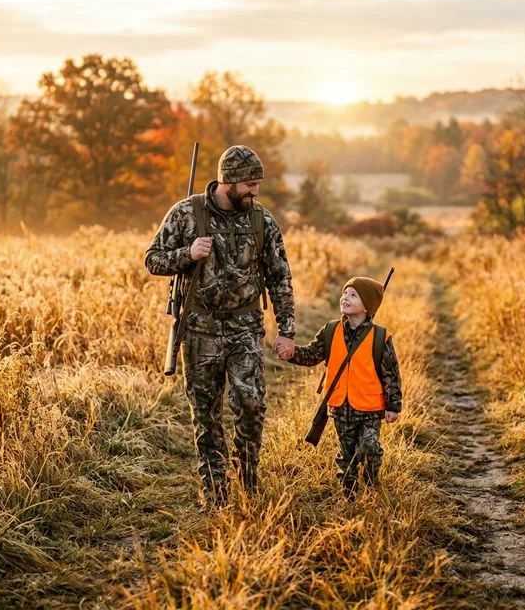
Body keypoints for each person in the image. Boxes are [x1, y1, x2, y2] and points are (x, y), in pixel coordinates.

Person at [145, 145, 295, 509]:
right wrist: (188, 253)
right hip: (199, 330)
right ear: (228, 181)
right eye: (249, 184)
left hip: (246, 327)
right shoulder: (186, 213)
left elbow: (280, 278)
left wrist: (286, 328)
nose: (254, 191)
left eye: (257, 184)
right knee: (206, 413)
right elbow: (152, 259)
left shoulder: (262, 220)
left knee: (250, 402)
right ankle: (214, 491)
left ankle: (247, 481)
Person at [276, 277, 401, 498]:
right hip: (340, 406)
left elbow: (391, 373)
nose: (345, 297)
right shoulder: (331, 330)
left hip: (370, 407)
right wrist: (292, 352)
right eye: (345, 293)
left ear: (367, 306)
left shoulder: (380, 337)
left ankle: (372, 482)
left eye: (353, 295)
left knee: (370, 446)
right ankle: (349, 494)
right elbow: (312, 355)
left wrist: (393, 406)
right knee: (347, 454)